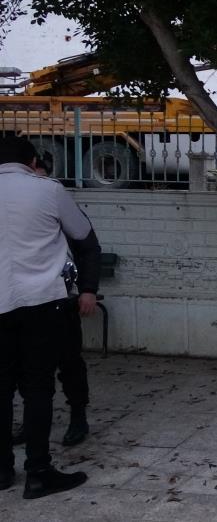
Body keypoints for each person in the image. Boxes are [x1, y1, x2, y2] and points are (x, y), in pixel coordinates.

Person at [1, 135, 92, 499]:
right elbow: (83, 235)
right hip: (42, 302)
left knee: (1, 388)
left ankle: (2, 471)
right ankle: (38, 472)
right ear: (32, 160)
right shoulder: (48, 190)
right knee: (39, 387)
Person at [10, 151, 99, 448]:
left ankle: (77, 415)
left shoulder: (53, 196)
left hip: (60, 296)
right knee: (27, 372)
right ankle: (33, 431)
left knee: (68, 361)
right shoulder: (29, 197)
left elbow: (88, 245)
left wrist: (87, 289)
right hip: (22, 300)